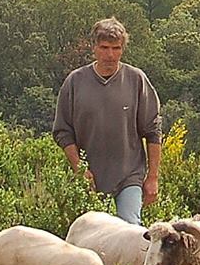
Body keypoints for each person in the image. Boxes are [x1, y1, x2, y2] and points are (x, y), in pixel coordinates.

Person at [52, 17, 161, 224]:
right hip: (89, 178)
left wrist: (153, 177)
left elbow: (153, 130)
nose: (110, 55)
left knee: (130, 231)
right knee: (90, 237)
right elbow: (62, 132)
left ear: (122, 49)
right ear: (94, 47)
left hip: (129, 175)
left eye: (116, 48)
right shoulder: (75, 82)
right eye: (104, 47)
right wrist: (79, 168)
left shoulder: (136, 80)